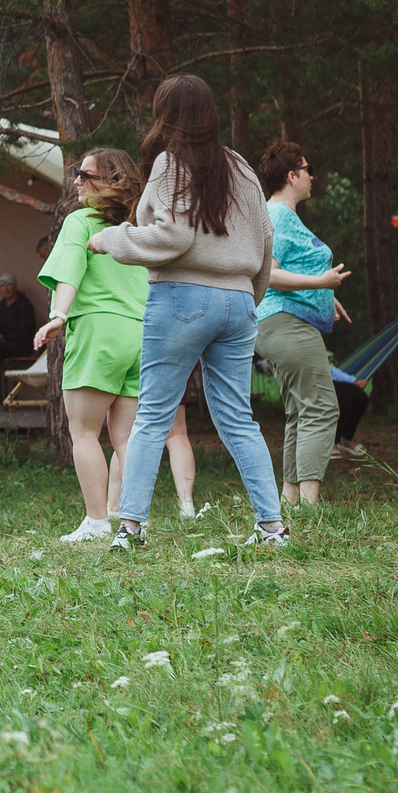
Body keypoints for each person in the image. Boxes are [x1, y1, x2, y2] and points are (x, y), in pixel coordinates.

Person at [88, 73, 285, 551]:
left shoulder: (170, 164)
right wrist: (246, 300)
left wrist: (111, 239)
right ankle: (272, 527)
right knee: (239, 418)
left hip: (181, 298)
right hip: (238, 302)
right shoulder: (240, 167)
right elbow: (265, 243)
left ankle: (131, 529)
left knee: (152, 415)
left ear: (166, 113)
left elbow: (173, 237)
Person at [35, 148, 155, 541]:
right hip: (142, 334)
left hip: (99, 332)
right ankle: (134, 521)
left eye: (84, 175)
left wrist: (59, 315)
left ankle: (98, 523)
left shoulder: (80, 222)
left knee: (84, 433)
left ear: (110, 180)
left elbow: (70, 268)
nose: (77, 181)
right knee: (128, 436)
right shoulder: (140, 227)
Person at [255, 141, 353, 507]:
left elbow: (296, 270)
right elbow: (270, 274)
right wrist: (320, 284)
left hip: (280, 323)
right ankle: (311, 505)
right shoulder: (278, 215)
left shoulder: (281, 215)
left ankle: (291, 499)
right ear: (292, 176)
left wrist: (327, 297)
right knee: (322, 407)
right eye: (308, 169)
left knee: (300, 409)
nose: (313, 176)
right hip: (285, 324)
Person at [0, 275, 40, 400]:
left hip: (22, 346)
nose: (6, 289)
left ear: (15, 287)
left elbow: (25, 331)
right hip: (2, 347)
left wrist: (6, 338)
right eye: (2, 285)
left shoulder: (24, 305)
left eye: (9, 285)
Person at [330, 369, 370, 458]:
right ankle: (332, 442)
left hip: (325, 378)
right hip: (306, 379)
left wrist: (353, 381)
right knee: (342, 397)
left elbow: (329, 369)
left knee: (360, 397)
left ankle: (345, 438)